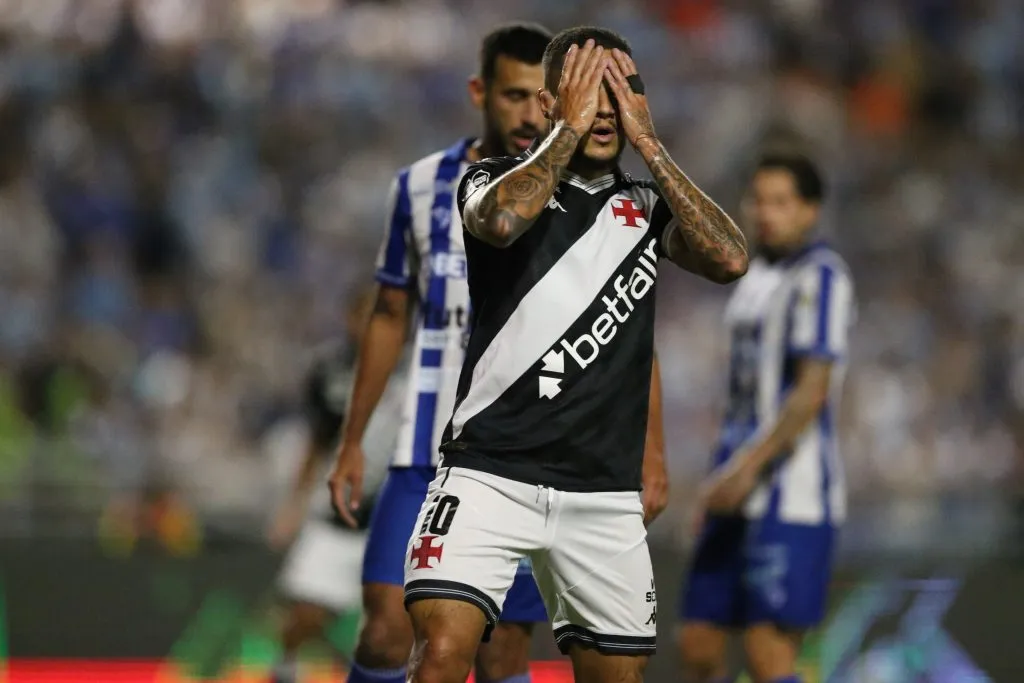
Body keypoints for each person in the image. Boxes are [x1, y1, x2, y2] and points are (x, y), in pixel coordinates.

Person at [391, 26, 748, 683]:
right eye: (593, 90)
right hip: (489, 471)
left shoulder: (645, 206)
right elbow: (500, 221)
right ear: (555, 102)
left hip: (601, 490)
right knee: (441, 654)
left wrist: (653, 145)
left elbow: (730, 258)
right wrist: (567, 131)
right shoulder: (491, 180)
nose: (608, 107)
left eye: (625, 89)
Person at [328, 23, 670, 683]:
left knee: (506, 649)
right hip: (430, 445)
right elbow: (390, 312)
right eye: (512, 96)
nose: (522, 111)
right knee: (388, 627)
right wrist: (352, 437)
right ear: (483, 94)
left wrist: (652, 447)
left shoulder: (607, 199)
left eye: (531, 95)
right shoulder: (428, 184)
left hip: (536, 445)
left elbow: (619, 330)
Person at [676, 153, 855, 683]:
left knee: (767, 652)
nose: (766, 212)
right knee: (698, 641)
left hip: (791, 494)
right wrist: (718, 475)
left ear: (810, 211)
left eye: (782, 202)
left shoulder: (822, 278)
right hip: (733, 483)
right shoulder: (753, 278)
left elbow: (811, 392)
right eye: (758, 200)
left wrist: (747, 468)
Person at [267, 288, 397, 683]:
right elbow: (316, 440)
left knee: (388, 628)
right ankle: (286, 669)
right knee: (304, 615)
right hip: (336, 515)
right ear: (348, 318)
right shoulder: (330, 371)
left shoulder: (415, 368)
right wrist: (293, 503)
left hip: (391, 521)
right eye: (362, 315)